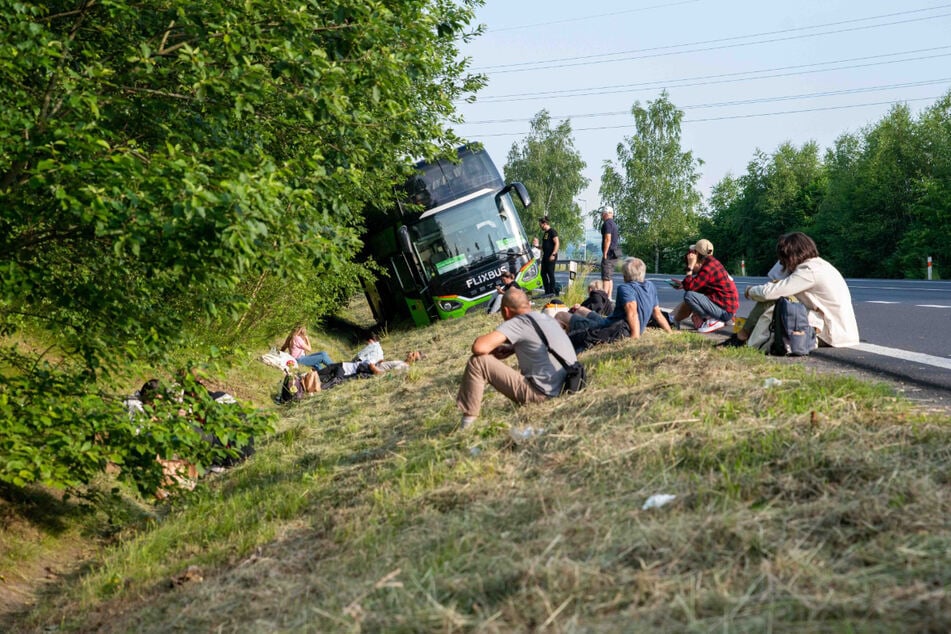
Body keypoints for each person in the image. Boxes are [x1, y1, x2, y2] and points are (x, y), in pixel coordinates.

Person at [456, 287, 576, 429]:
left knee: (478, 362)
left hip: (543, 394)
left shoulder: (519, 322)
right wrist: (512, 348)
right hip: (567, 384)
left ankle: (467, 426)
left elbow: (479, 347)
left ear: (506, 311)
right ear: (528, 304)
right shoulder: (545, 318)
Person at [734, 232, 859, 348]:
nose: (782, 263)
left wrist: (750, 291)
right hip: (839, 330)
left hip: (831, 333)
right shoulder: (819, 265)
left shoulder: (809, 271)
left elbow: (769, 292)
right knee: (779, 301)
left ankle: (742, 336)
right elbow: (775, 280)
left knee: (773, 301)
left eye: (783, 260)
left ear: (790, 256)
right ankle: (744, 335)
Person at [557, 257, 673, 341]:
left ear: (625, 275)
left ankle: (555, 346)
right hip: (609, 321)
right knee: (580, 309)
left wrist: (635, 338)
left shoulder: (625, 288)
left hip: (611, 328)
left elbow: (632, 312)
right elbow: (657, 314)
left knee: (561, 316)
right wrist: (670, 333)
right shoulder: (650, 286)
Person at [670, 238, 738, 333]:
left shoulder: (708, 268)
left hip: (724, 311)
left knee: (689, 296)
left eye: (694, 252)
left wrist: (690, 266)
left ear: (697, 254)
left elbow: (690, 288)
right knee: (693, 295)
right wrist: (683, 284)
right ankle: (672, 319)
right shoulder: (712, 264)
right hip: (726, 309)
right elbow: (697, 286)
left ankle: (713, 320)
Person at [600, 206, 620, 300]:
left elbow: (608, 238)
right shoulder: (614, 224)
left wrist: (604, 253)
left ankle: (604, 299)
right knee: (609, 276)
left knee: (605, 277)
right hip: (615, 253)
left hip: (609, 253)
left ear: (606, 213)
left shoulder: (607, 223)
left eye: (602, 213)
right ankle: (609, 297)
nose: (601, 215)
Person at [538, 216, 559, 296]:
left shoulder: (552, 231)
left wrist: (553, 254)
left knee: (550, 273)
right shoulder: (545, 233)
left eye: (540, 225)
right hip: (545, 256)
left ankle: (552, 291)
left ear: (545, 224)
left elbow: (557, 243)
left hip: (551, 256)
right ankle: (547, 291)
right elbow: (545, 245)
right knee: (543, 273)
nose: (540, 226)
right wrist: (538, 246)